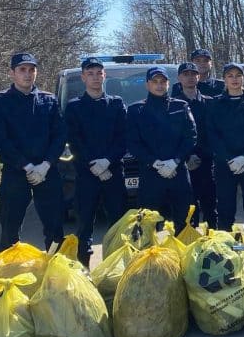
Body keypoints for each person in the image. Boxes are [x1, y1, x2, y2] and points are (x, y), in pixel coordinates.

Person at [0, 52, 65, 251]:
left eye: (32, 70)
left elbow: (59, 136)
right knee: (9, 229)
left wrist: (46, 165)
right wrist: (27, 166)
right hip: (15, 172)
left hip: (47, 171)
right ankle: (8, 275)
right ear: (12, 73)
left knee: (55, 229)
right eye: (22, 70)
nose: (27, 74)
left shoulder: (49, 100)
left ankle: (56, 273)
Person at [63, 57, 128, 266]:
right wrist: (95, 165)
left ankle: (115, 270)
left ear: (104, 76)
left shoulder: (116, 103)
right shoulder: (74, 107)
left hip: (113, 173)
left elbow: (123, 137)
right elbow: (74, 141)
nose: (95, 78)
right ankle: (84, 270)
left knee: (118, 224)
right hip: (86, 175)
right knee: (84, 226)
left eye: (98, 73)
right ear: (83, 77)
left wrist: (107, 162)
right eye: (90, 73)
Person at [126, 66, 196, 231]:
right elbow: (133, 142)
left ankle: (183, 256)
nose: (159, 85)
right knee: (147, 225)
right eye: (155, 81)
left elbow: (191, 137)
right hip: (151, 174)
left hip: (177, 172)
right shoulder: (136, 110)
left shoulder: (181, 106)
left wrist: (176, 161)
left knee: (184, 222)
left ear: (168, 84)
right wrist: (155, 163)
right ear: (147, 85)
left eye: (162, 81)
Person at [208, 63, 244, 235]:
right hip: (224, 164)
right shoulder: (216, 105)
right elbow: (213, 135)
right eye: (230, 76)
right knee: (225, 207)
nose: (234, 79)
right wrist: (228, 158)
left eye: (238, 75)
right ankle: (225, 246)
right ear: (224, 79)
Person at [172, 61, 217, 227]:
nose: (190, 78)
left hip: (207, 162)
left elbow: (214, 133)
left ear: (198, 77)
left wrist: (204, 156)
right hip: (183, 164)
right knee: (188, 211)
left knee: (211, 208)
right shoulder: (173, 105)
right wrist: (186, 157)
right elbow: (173, 136)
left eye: (193, 74)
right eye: (186, 74)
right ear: (179, 78)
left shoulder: (210, 102)